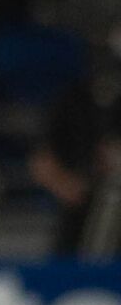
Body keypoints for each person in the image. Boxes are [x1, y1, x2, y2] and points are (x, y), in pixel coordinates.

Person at [31, 30, 121, 259]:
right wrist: (68, 185)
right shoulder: (71, 100)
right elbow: (41, 161)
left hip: (114, 200)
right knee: (73, 266)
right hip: (79, 204)